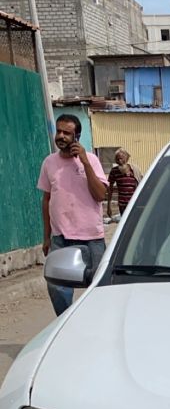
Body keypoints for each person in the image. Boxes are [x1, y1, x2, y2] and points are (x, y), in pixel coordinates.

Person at [37, 114, 108, 316]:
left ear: (76, 136)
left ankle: (99, 326)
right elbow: (46, 200)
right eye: (58, 131)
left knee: (99, 286)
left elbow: (101, 195)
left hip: (92, 239)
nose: (61, 136)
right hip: (61, 238)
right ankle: (66, 325)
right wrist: (46, 237)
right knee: (57, 287)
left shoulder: (91, 161)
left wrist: (84, 162)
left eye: (66, 133)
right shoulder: (49, 163)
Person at [107, 148, 141, 220]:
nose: (120, 161)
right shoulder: (114, 171)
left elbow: (140, 185)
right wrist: (108, 206)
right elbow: (110, 188)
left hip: (134, 203)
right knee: (125, 223)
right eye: (118, 159)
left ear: (127, 158)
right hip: (122, 205)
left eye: (121, 158)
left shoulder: (134, 170)